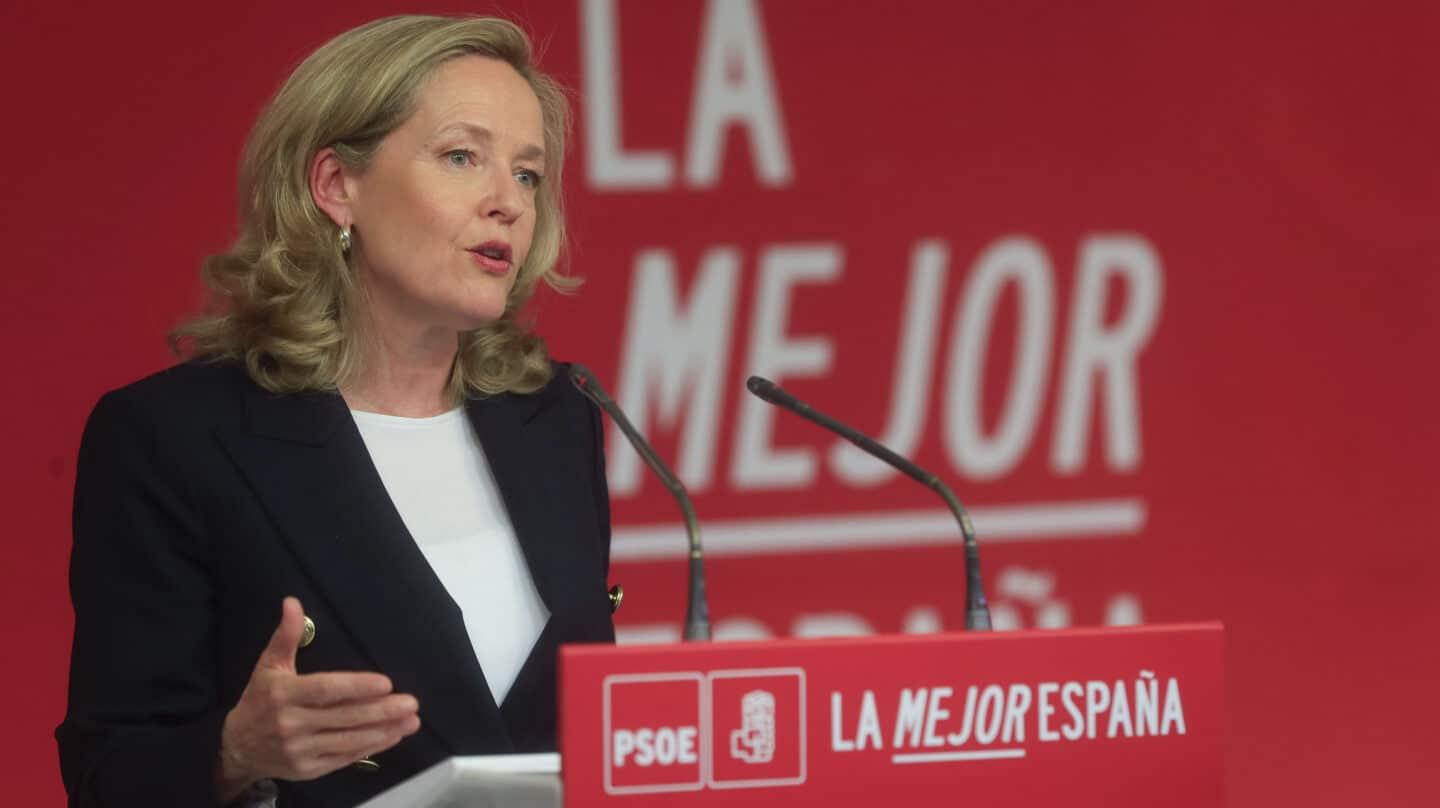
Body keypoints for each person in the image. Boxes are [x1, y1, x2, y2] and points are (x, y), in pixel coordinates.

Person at [56, 15, 616, 807]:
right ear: (335, 186)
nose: (508, 204)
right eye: (463, 157)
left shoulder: (553, 416)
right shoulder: (176, 439)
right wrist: (231, 755)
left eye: (527, 174)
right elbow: (110, 773)